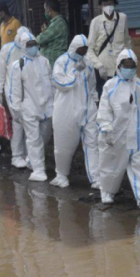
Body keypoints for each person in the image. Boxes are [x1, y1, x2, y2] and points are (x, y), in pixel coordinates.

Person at [96, 49, 140, 209]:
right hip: (115, 134)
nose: (129, 69)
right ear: (119, 66)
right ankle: (107, 191)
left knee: (139, 164)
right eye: (126, 65)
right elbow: (104, 109)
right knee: (112, 164)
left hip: (137, 134)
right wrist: (106, 128)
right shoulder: (110, 86)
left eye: (132, 66)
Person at [51, 34, 100, 189]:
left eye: (85, 50)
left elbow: (92, 85)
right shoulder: (61, 62)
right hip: (66, 110)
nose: (82, 53)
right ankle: (61, 175)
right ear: (73, 48)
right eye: (80, 50)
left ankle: (96, 178)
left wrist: (95, 102)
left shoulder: (88, 63)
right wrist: (75, 71)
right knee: (63, 145)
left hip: (87, 109)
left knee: (92, 144)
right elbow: (62, 84)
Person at [8, 35, 54, 182]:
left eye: (34, 44)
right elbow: (15, 89)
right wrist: (16, 109)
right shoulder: (18, 65)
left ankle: (31, 160)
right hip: (29, 107)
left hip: (47, 107)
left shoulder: (44, 61)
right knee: (34, 139)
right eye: (29, 45)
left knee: (44, 137)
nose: (32, 47)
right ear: (23, 47)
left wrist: (54, 101)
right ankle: (38, 170)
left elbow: (51, 82)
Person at [0, 26, 33, 168]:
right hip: (12, 92)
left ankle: (29, 156)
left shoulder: (30, 49)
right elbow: (0, 71)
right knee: (18, 123)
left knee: (29, 124)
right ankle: (17, 156)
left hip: (29, 92)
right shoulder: (7, 49)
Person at [87, 0, 131, 92]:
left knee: (121, 95)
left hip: (120, 69)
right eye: (105, 4)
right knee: (104, 97)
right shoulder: (96, 22)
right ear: (100, 6)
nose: (108, 7)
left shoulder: (122, 18)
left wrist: (127, 60)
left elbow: (127, 42)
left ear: (114, 3)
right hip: (103, 71)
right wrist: (99, 66)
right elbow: (89, 49)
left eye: (110, 3)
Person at [37, 0, 69, 65]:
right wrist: (45, 32)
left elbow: (40, 39)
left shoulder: (58, 23)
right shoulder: (54, 23)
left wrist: (43, 34)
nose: (45, 12)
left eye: (45, 9)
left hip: (53, 62)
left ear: (49, 10)